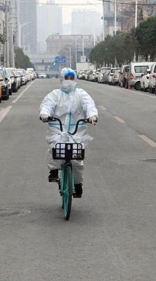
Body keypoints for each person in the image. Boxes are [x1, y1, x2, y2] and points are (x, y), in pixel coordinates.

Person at [39, 67, 98, 198]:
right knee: (55, 147)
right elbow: (47, 105)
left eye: (72, 78)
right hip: (57, 129)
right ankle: (53, 171)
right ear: (62, 79)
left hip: (77, 132)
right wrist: (45, 114)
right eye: (67, 78)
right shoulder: (55, 94)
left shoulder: (81, 94)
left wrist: (92, 115)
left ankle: (77, 185)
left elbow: (89, 105)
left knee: (77, 160)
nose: (69, 81)